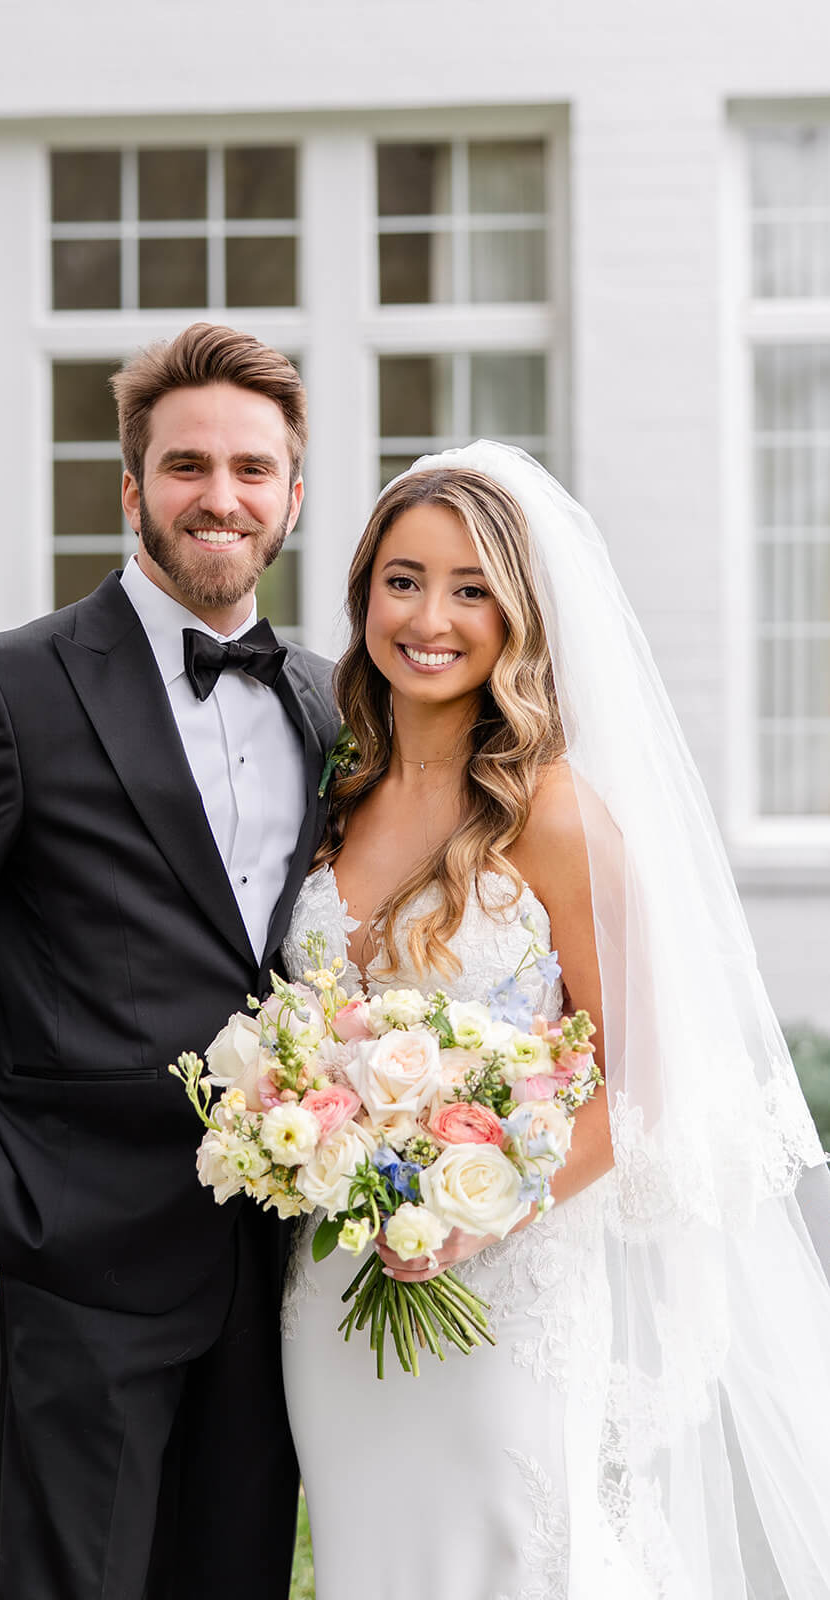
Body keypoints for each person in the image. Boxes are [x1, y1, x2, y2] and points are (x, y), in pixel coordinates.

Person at [0, 323, 337, 1600]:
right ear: (132, 491)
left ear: (291, 493)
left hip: (278, 1266)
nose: (216, 496)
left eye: (249, 468)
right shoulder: (7, 689)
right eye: (183, 467)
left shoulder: (336, 704)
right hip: (72, 1258)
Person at [281, 442, 830, 1599]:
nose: (430, 616)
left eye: (470, 587)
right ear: (363, 595)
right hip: (332, 1291)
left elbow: (645, 1086)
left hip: (504, 1292)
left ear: (518, 615)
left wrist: (481, 1215)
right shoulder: (335, 792)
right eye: (402, 579)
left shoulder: (559, 816)